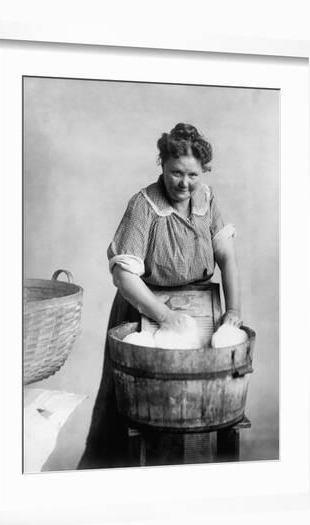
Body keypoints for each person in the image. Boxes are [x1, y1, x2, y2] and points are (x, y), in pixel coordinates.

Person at [78, 123, 242, 469]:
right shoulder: (144, 206)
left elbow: (226, 257)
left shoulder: (206, 200)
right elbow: (124, 277)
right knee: (142, 407)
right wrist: (166, 318)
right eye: (175, 173)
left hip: (199, 306)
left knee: (200, 396)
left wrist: (233, 311)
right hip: (145, 308)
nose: (184, 183)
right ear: (162, 165)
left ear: (204, 171)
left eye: (192, 175)